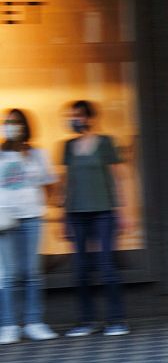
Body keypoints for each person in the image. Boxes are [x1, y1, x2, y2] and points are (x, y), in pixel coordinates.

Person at [61, 100, 128, 337]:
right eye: (71, 116)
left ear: (90, 118)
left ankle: (116, 321)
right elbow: (67, 182)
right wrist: (64, 216)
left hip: (104, 211)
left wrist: (123, 211)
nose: (73, 120)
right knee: (80, 268)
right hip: (77, 213)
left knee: (107, 265)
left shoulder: (105, 142)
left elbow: (118, 178)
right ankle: (85, 322)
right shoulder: (68, 146)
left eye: (78, 116)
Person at [0, 110, 57, 343]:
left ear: (24, 127)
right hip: (5, 220)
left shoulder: (37, 154)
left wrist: (42, 202)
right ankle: (9, 325)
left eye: (16, 122)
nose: (11, 126)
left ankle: (34, 322)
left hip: (32, 217)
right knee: (8, 275)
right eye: (8, 122)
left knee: (32, 273)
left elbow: (50, 184)